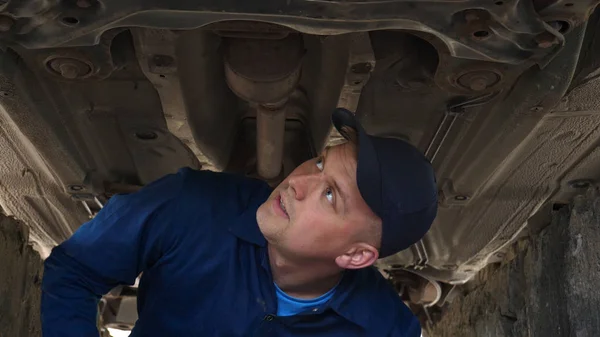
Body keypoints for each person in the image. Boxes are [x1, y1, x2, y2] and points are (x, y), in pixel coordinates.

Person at [41, 108, 438, 337]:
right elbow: (75, 269)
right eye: (319, 163)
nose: (297, 183)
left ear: (355, 255)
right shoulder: (188, 204)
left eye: (330, 194)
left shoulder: (384, 331)